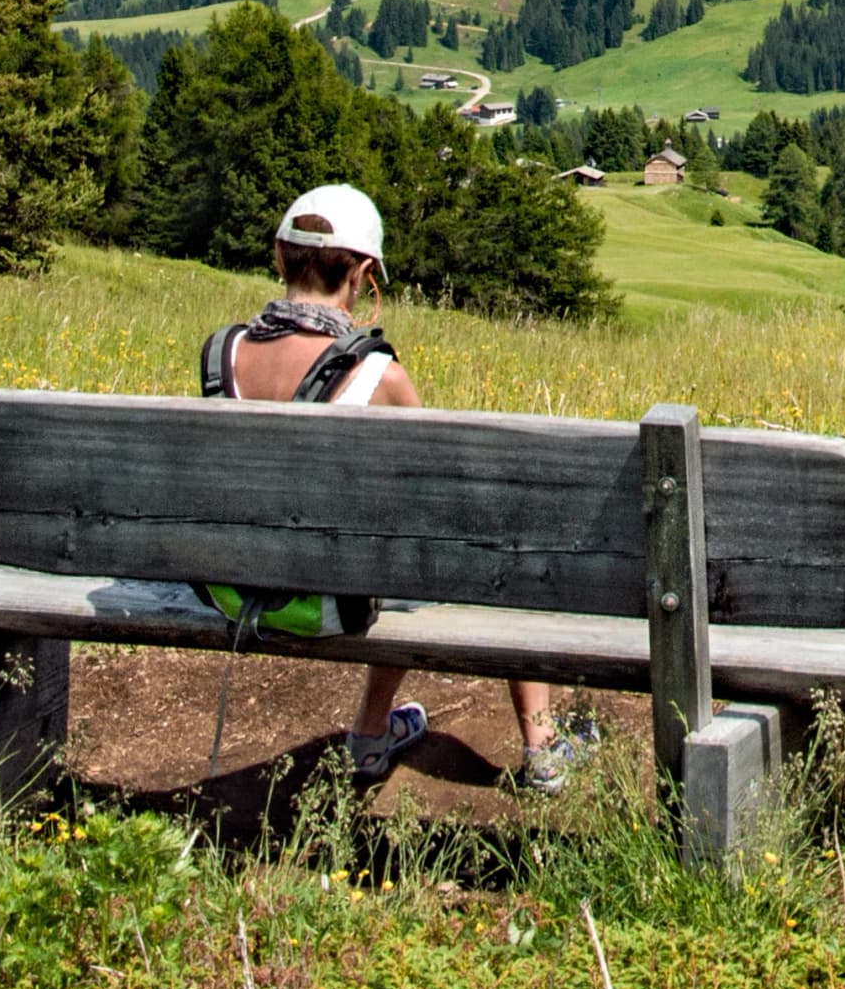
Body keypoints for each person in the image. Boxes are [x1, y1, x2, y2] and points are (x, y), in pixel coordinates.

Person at [203, 184, 590, 794]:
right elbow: (449, 504)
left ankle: (373, 731)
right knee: (481, 557)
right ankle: (540, 744)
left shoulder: (220, 355)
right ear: (361, 274)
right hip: (331, 606)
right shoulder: (376, 374)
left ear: (279, 257)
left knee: (392, 557)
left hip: (235, 593)